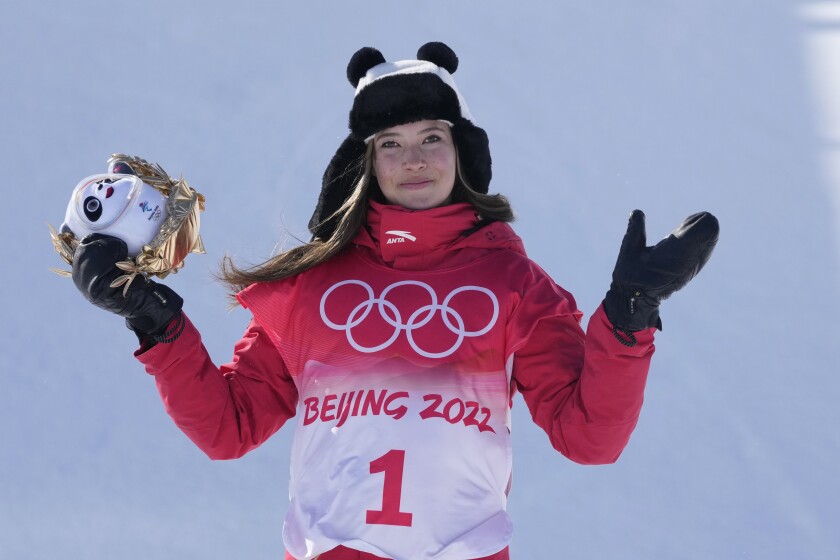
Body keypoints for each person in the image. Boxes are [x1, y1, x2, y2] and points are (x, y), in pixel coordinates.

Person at [70, 42, 719, 560]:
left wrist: (628, 320)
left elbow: (589, 438)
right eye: (391, 144)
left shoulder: (516, 289)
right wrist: (156, 325)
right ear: (366, 162)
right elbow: (227, 428)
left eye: (431, 138)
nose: (414, 159)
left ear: (461, 151)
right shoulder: (311, 289)